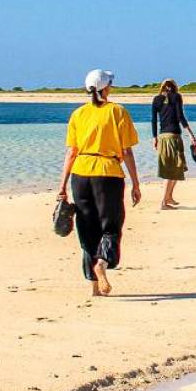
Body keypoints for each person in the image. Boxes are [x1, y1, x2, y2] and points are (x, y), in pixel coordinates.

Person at [56, 69, 141, 296]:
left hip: (80, 174)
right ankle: (102, 263)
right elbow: (127, 151)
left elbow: (71, 152)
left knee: (87, 227)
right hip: (108, 173)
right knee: (111, 226)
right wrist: (135, 183)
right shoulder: (118, 112)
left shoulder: (78, 114)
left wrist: (62, 186)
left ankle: (93, 286)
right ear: (106, 88)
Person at [151, 78, 196, 210]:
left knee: (176, 169)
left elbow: (154, 120)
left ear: (163, 87)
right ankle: (163, 202)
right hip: (173, 137)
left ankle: (169, 197)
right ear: (174, 87)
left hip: (162, 137)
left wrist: (154, 137)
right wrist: (191, 134)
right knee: (172, 170)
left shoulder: (156, 99)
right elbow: (180, 116)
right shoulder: (176, 97)